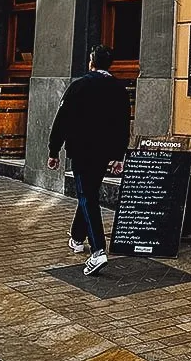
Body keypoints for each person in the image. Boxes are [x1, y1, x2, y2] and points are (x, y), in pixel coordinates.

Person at [47, 45, 131, 276]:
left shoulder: (79, 85)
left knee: (87, 197)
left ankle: (98, 250)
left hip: (82, 150)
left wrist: (53, 150)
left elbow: (61, 119)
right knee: (89, 194)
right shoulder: (119, 89)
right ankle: (76, 238)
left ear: (91, 62)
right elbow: (123, 125)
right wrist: (118, 155)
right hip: (104, 152)